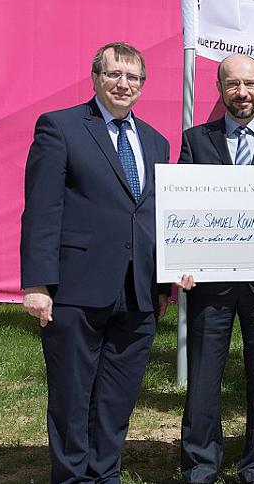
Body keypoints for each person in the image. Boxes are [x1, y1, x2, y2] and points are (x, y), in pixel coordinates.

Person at [20, 42, 170, 483]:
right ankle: (70, 476)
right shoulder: (60, 127)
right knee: (71, 396)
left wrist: (163, 286)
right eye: (114, 74)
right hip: (75, 287)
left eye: (132, 77)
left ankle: (104, 473)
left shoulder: (156, 142)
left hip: (138, 292)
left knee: (117, 397)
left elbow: (156, 216)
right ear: (96, 78)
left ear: (142, 84)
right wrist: (38, 283)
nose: (123, 83)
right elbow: (42, 209)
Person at [176, 54, 254, 484]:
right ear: (220, 88)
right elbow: (181, 207)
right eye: (233, 84)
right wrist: (181, 261)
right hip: (210, 283)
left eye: (250, 84)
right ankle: (200, 466)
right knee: (203, 379)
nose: (242, 92)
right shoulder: (196, 141)